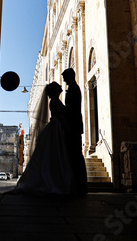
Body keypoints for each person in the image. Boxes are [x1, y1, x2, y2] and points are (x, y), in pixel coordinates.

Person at [13, 81, 76, 195]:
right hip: (57, 127)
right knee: (56, 152)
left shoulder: (54, 101)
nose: (61, 88)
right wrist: (68, 127)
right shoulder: (55, 102)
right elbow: (60, 116)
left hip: (55, 127)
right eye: (58, 88)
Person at [61, 67, 88, 195]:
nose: (64, 80)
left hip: (73, 127)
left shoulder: (73, 88)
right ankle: (78, 185)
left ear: (69, 76)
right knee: (75, 155)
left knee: (76, 155)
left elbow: (72, 109)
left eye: (65, 77)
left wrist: (61, 110)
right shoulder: (73, 87)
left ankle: (80, 186)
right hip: (73, 126)